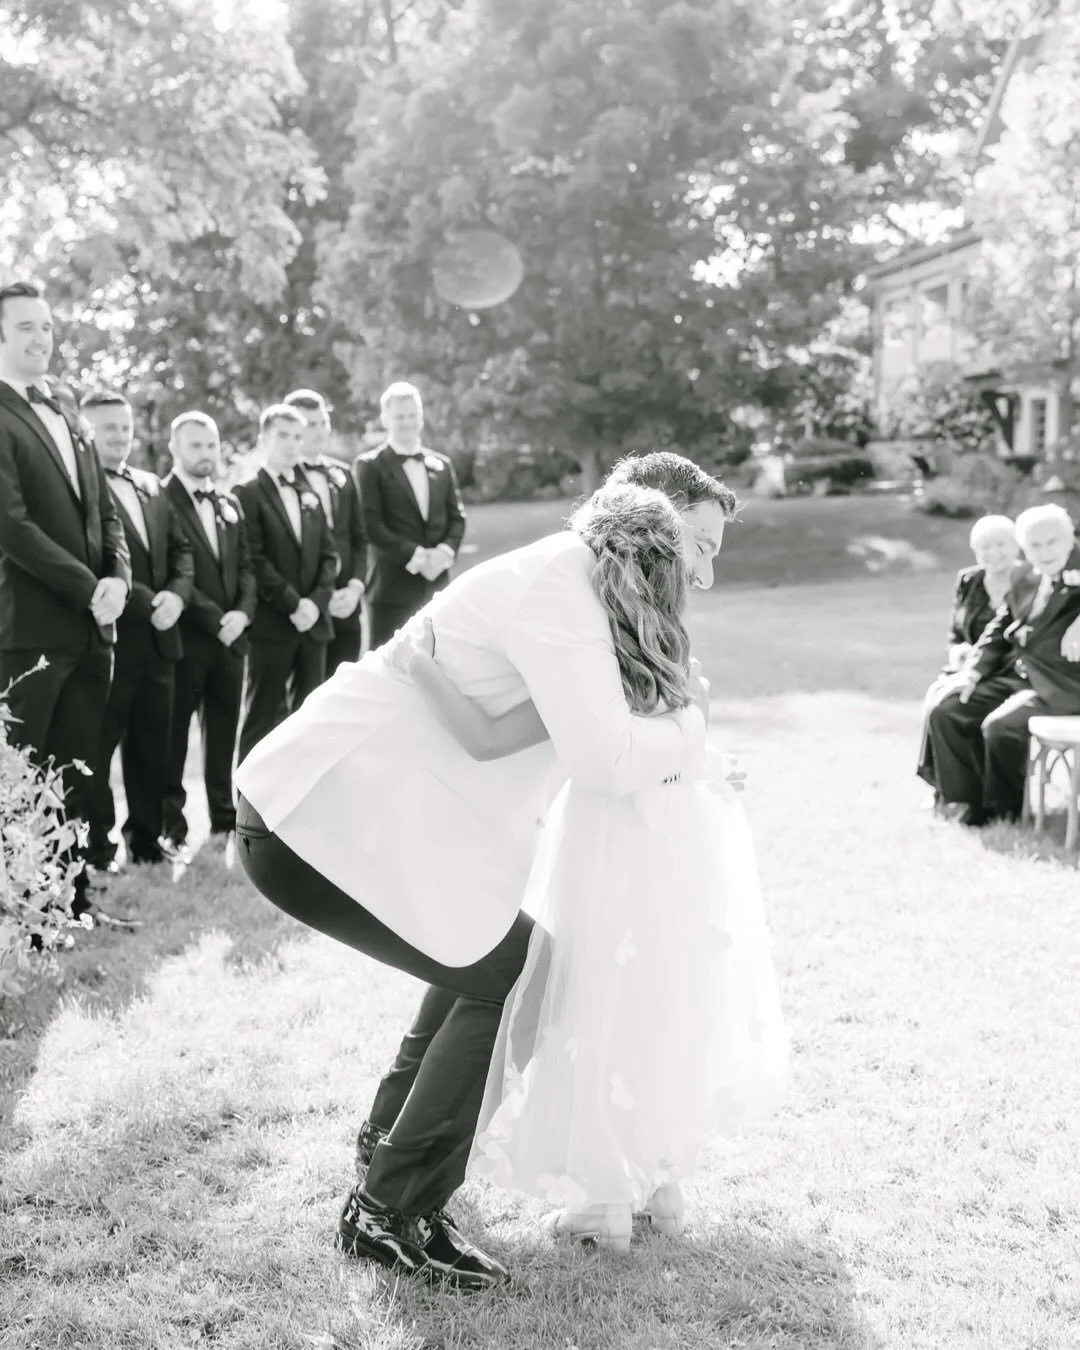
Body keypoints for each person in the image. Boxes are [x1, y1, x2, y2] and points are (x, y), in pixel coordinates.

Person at [232, 450, 734, 1291]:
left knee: (495, 954)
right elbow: (606, 759)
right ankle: (389, 1210)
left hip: (354, 825)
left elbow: (514, 734)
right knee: (520, 972)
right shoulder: (564, 587)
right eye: (700, 546)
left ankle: (387, 1152)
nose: (705, 575)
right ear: (650, 521)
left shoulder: (581, 590)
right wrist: (693, 730)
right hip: (314, 821)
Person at [390, 486, 788, 1252]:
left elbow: (494, 737)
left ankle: (605, 1197)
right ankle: (660, 1182)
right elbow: (676, 742)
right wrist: (701, 744)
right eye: (696, 551)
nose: (702, 574)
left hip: (614, 841)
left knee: (595, 1002)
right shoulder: (665, 649)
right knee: (663, 1001)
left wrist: (420, 666)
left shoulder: (591, 646)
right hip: (679, 843)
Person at [0, 282, 131, 918]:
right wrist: (88, 587)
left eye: (47, 326)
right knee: (26, 776)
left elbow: (106, 511)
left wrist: (119, 579)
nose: (41, 338)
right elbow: (11, 526)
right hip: (31, 631)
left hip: (92, 630)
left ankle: (73, 904)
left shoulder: (70, 410)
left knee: (79, 770)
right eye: (26, 326)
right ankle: (26, 914)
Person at [81, 391, 194, 870]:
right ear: (86, 430)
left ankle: (146, 841)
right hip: (108, 642)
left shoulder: (151, 485)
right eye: (108, 427)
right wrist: (146, 600)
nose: (120, 436)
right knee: (98, 748)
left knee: (152, 746)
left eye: (125, 427)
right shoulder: (80, 485)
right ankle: (98, 847)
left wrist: (178, 596)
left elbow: (181, 550)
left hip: (160, 641)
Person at [926, 504, 1080, 826]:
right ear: (1024, 549)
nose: (1045, 552)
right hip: (1020, 676)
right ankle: (967, 802)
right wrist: (972, 672)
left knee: (1001, 727)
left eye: (1052, 542)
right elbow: (999, 628)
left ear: (1070, 539)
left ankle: (1004, 813)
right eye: (1035, 545)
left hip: (1062, 685)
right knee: (949, 708)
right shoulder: (1025, 577)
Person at [161, 412, 256, 856]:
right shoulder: (160, 500)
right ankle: (172, 825)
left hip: (232, 639)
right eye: (195, 445)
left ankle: (223, 818)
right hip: (186, 639)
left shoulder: (228, 502)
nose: (205, 453)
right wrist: (217, 619)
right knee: (174, 736)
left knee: (223, 734)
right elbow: (170, 570)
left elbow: (247, 566)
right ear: (175, 449)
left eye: (211, 445)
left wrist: (242, 614)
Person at [234, 404, 338, 764]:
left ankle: (302, 793)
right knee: (262, 717)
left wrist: (316, 602)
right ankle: (247, 798)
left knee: (311, 718)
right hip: (273, 623)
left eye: (297, 436)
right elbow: (253, 558)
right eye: (283, 435)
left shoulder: (310, 492)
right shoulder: (247, 492)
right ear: (264, 438)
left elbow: (329, 555)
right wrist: (294, 604)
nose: (292, 443)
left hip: (313, 625)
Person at [353, 382, 466, 648]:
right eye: (399, 416)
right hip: (391, 589)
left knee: (439, 659)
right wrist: (416, 557)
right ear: (385, 419)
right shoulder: (370, 466)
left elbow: (457, 517)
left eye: (412, 415)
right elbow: (371, 525)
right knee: (388, 665)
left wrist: (444, 553)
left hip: (437, 588)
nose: (407, 422)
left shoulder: (442, 464)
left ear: (421, 416)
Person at [916, 515, 1020, 801]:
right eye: (984, 547)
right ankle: (946, 790)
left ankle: (960, 795)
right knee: (937, 696)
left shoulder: (1028, 580)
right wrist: (959, 651)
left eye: (1000, 544)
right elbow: (956, 632)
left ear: (1016, 546)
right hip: (970, 668)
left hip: (1008, 671)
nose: (993, 552)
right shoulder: (969, 580)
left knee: (948, 705)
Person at [284, 389, 367, 673]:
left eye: (323, 422)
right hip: (306, 607)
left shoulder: (343, 474)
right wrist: (321, 597)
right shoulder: (281, 480)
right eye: (310, 424)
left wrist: (355, 588)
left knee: (348, 684)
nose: (319, 431)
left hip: (347, 604)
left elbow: (359, 538)